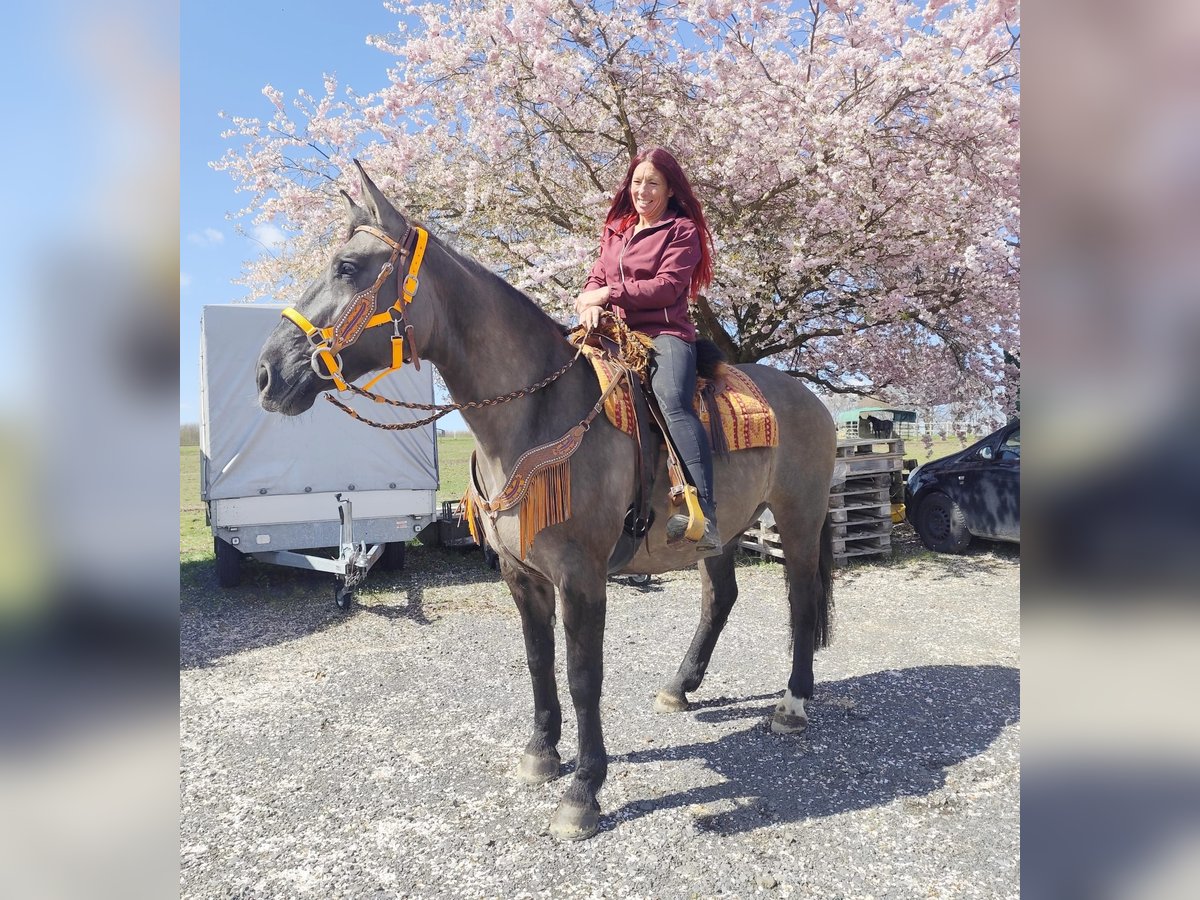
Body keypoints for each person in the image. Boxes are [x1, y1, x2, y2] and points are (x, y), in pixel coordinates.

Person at [574, 147, 722, 555]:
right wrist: (589, 302)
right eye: (637, 182)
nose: (643, 190)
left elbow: (668, 287)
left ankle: (704, 514)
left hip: (663, 335)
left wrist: (609, 294)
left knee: (673, 402)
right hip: (613, 335)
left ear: (670, 189)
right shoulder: (617, 229)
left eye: (653, 183)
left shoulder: (681, 230)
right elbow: (596, 276)